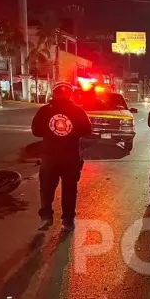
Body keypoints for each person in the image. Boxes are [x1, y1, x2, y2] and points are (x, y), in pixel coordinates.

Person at [31, 81, 92, 232]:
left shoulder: (45, 111)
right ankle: (68, 220)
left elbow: (36, 131)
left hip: (50, 157)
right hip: (70, 158)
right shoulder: (77, 110)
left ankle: (46, 217)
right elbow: (87, 130)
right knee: (69, 190)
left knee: (46, 189)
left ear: (54, 93)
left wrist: (50, 131)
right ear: (70, 95)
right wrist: (72, 131)